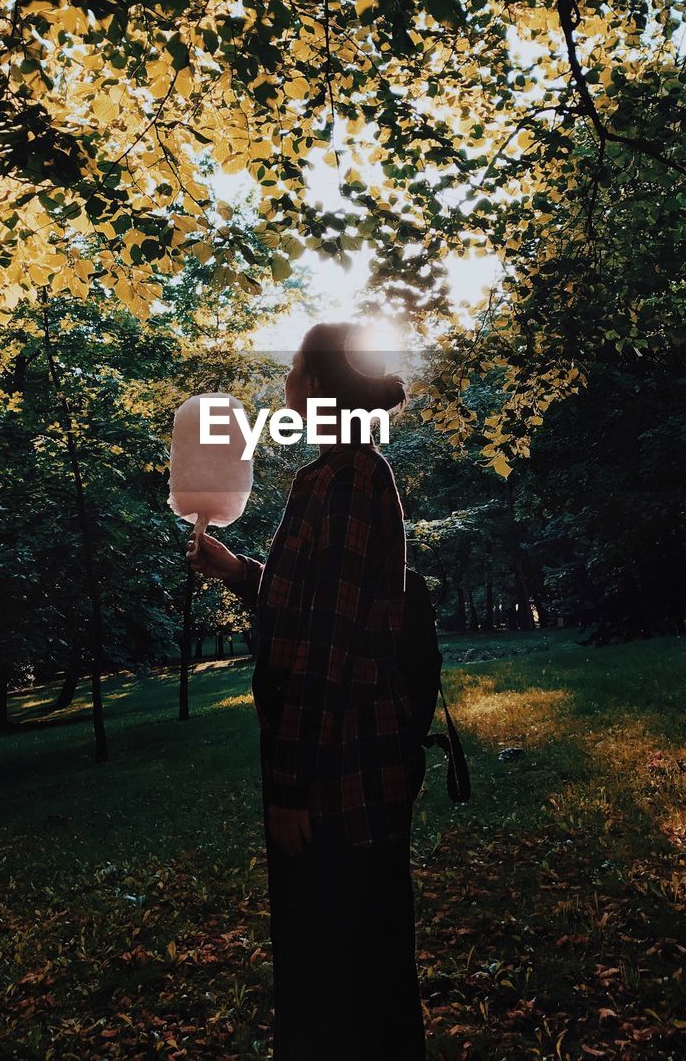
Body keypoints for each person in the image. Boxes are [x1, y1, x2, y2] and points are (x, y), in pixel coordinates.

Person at [187, 321, 425, 1061]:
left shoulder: (348, 481)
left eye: (292, 371)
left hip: (339, 782)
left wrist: (290, 786)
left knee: (344, 982)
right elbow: (306, 608)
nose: (284, 386)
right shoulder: (331, 476)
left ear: (317, 389)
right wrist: (235, 572)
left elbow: (326, 650)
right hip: (338, 772)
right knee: (342, 970)